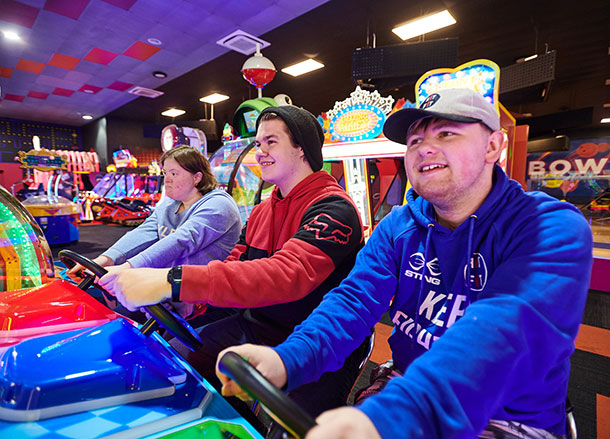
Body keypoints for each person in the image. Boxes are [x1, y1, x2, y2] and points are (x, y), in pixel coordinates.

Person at [215, 88, 594, 439]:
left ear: (493, 145)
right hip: (403, 389)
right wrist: (287, 358)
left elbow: (505, 334)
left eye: (446, 134)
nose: (425, 148)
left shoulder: (550, 226)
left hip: (509, 418)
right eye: (415, 140)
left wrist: (389, 414)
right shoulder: (399, 225)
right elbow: (352, 302)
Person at [98, 106, 368, 418]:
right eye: (258, 144)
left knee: (300, 426)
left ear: (301, 148)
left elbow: (286, 275)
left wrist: (171, 281)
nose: (261, 152)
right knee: (174, 369)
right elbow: (235, 263)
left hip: (316, 339)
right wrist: (190, 304)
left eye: (271, 142)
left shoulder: (334, 208)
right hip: (257, 326)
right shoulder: (264, 210)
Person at [70, 145, 241, 283]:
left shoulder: (218, 204)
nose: (166, 180)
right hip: (166, 284)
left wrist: (128, 267)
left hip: (200, 293)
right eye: (165, 173)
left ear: (197, 178)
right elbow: (142, 233)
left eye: (174, 174)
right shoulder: (170, 203)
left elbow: (181, 241)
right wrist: (104, 260)